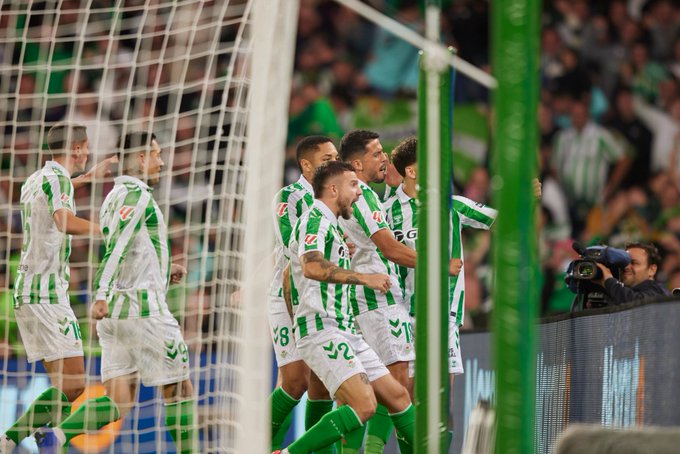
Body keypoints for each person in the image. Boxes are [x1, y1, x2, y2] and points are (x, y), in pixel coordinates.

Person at [35, 132, 197, 453]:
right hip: (143, 312)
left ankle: (58, 436)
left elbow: (130, 248)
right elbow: (118, 249)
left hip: (115, 320)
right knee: (180, 390)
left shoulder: (113, 197)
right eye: (156, 153)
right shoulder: (136, 197)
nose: (161, 161)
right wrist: (101, 294)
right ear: (140, 158)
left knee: (118, 403)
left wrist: (165, 269)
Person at [278, 160, 414, 454]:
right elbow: (311, 267)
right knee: (364, 405)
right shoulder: (314, 219)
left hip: (344, 330)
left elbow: (289, 275)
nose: (359, 192)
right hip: (323, 330)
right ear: (333, 189)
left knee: (399, 396)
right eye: (353, 186)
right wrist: (365, 278)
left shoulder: (332, 226)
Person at [0, 123, 116, 453]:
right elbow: (63, 220)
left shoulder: (36, 179)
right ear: (77, 148)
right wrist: (106, 229)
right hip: (47, 294)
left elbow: (54, 193)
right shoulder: (58, 180)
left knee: (63, 388)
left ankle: (17, 442)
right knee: (76, 385)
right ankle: (11, 438)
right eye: (86, 147)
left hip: (26, 291)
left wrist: (86, 178)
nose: (89, 153)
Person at [384, 136, 492, 447]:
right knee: (410, 403)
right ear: (413, 171)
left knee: (442, 407)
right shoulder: (387, 212)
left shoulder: (452, 206)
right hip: (403, 316)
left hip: (443, 316)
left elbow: (497, 219)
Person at [269, 136, 338, 451]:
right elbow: (293, 249)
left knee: (323, 385)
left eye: (336, 156)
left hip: (323, 298)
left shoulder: (335, 196)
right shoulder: (290, 197)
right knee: (296, 382)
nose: (334, 163)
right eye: (327, 158)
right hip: (288, 296)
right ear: (306, 165)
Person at [593, 242, 670, 303]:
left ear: (652, 269)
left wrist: (609, 282)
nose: (626, 267)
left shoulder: (659, 293)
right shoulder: (617, 293)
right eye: (623, 263)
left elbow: (637, 304)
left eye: (634, 263)